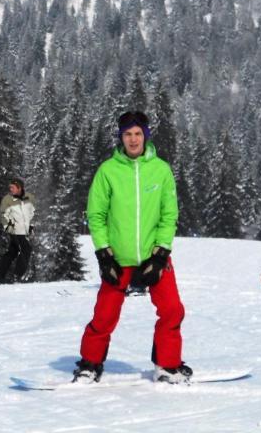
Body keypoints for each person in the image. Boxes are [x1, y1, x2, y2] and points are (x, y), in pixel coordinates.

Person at [73, 111, 190, 385]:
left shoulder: (160, 170)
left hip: (153, 257)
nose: (133, 139)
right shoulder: (108, 171)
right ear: (121, 138)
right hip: (119, 258)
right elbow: (96, 215)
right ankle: (90, 364)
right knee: (104, 315)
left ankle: (167, 365)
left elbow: (168, 215)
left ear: (146, 135)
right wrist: (104, 253)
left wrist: (160, 254)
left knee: (172, 310)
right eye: (128, 134)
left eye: (138, 133)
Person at [0, 178, 35, 283]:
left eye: (13, 187)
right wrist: (8, 226)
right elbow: (2, 214)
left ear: (19, 187)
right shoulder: (7, 199)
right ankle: (17, 276)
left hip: (24, 229)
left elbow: (31, 214)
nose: (11, 189)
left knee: (13, 251)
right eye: (10, 187)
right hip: (14, 229)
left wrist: (31, 226)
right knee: (26, 249)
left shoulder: (29, 198)